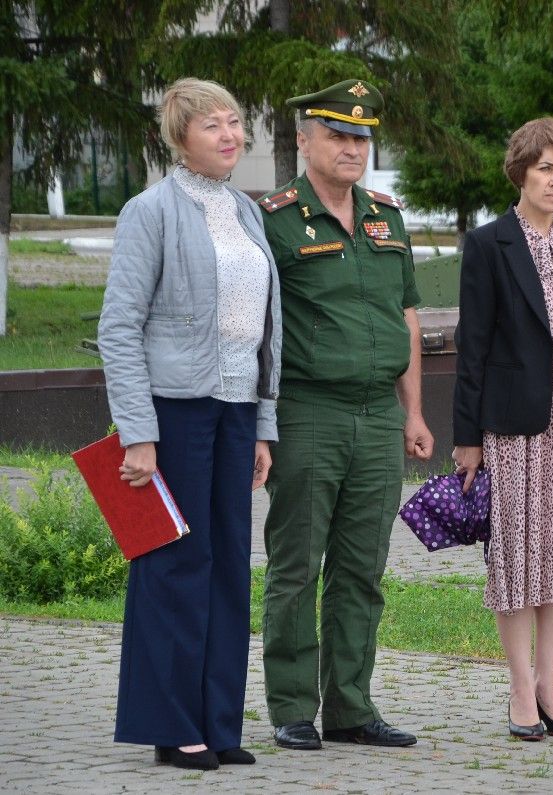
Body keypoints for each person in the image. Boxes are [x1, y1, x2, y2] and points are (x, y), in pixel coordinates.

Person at [98, 77, 281, 771]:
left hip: (236, 410)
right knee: (175, 562)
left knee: (230, 563)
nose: (230, 135)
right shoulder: (151, 211)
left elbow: (266, 329)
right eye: (212, 125)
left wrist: (263, 424)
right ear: (180, 138)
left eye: (235, 122)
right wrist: (138, 431)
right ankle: (172, 727)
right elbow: (119, 327)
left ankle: (219, 721)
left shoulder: (245, 211)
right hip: (174, 411)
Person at [258, 78, 434, 751]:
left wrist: (413, 410)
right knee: (298, 563)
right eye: (336, 133)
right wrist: (261, 421)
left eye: (361, 135)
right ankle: (294, 706)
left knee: (363, 567)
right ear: (303, 142)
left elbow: (407, 316)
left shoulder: (388, 217)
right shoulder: (274, 218)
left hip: (377, 415)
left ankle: (352, 707)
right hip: (308, 410)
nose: (352, 146)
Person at [452, 118, 553, 741]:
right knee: (516, 553)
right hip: (511, 422)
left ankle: (550, 682)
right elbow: (473, 346)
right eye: (545, 168)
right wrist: (467, 437)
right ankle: (518, 686)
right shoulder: (489, 244)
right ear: (521, 171)